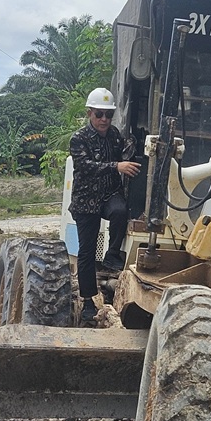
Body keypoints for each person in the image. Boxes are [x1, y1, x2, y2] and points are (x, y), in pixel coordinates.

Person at [68, 87, 140, 327]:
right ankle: (88, 301)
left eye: (108, 115)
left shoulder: (115, 136)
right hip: (86, 201)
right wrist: (116, 166)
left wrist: (133, 148)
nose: (104, 119)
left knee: (120, 211)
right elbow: (86, 166)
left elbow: (124, 153)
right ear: (89, 113)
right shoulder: (78, 139)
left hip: (109, 194)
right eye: (99, 114)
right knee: (87, 252)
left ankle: (112, 255)